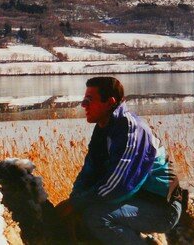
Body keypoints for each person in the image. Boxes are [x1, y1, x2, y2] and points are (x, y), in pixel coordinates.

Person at [55, 77, 186, 244]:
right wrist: (75, 199)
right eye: (83, 100)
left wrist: (76, 204)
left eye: (89, 100)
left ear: (110, 102)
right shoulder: (104, 127)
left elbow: (119, 185)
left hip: (161, 207)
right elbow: (89, 171)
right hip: (136, 200)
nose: (83, 105)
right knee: (83, 214)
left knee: (97, 217)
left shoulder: (131, 129)